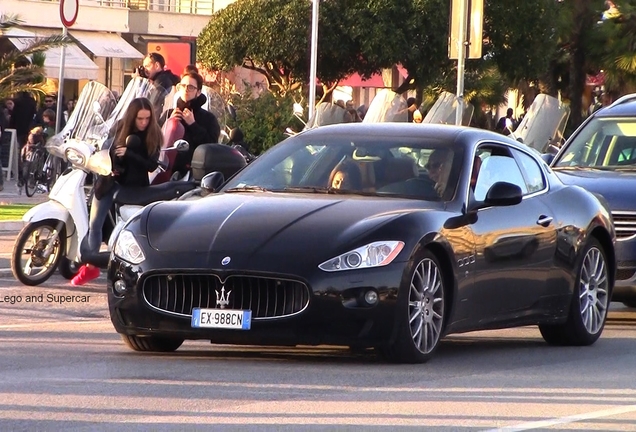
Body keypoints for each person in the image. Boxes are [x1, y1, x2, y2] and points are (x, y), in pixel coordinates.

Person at [71, 97, 162, 286]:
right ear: (132, 117)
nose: (144, 123)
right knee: (95, 224)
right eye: (140, 119)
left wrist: (130, 154)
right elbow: (106, 149)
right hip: (110, 181)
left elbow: (152, 165)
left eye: (147, 118)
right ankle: (90, 265)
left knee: (132, 229)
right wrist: (110, 164)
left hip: (135, 188)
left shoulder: (153, 134)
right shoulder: (120, 127)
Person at [159, 71, 221, 176]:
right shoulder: (169, 113)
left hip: (194, 173)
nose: (186, 90)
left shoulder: (208, 118)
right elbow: (156, 139)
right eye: (183, 86)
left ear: (198, 92)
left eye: (191, 87)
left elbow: (211, 145)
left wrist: (193, 125)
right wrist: (169, 123)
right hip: (167, 170)